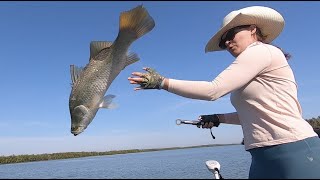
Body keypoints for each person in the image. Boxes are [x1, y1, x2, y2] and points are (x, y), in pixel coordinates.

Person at [127, 5, 320, 179]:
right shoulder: (254, 64)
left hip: (294, 150)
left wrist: (162, 82)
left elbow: (213, 90)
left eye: (231, 35)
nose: (227, 43)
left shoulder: (261, 51)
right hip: (261, 156)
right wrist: (218, 118)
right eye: (223, 41)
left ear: (253, 29)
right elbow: (253, 112)